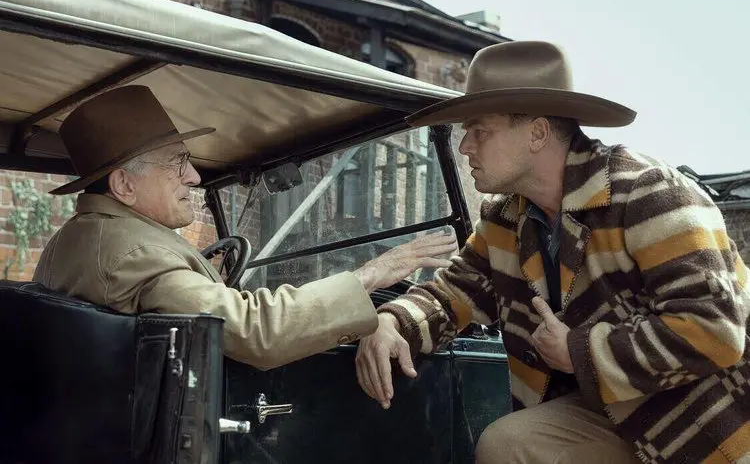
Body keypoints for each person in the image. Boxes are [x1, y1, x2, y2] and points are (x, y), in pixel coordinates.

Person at [355, 40, 750, 464]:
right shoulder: (505, 219)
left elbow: (713, 330)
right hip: (608, 411)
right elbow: (452, 295)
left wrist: (580, 352)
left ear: (538, 133)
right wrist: (391, 321)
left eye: (480, 131)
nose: (465, 145)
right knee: (509, 445)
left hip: (704, 423)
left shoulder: (648, 192)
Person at [33, 85, 457, 370]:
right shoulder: (138, 254)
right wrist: (371, 275)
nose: (194, 177)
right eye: (177, 162)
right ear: (125, 185)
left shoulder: (77, 239)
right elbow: (257, 333)